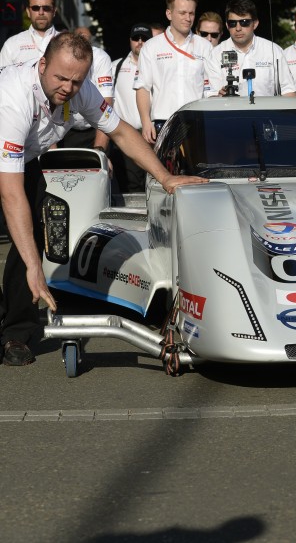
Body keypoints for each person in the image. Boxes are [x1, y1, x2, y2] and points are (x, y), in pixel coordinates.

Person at [0, 32, 206, 365]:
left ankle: (16, 333)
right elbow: (10, 193)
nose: (68, 87)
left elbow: (122, 132)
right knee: (28, 255)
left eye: (76, 81)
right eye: (61, 78)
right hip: (6, 156)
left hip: (24, 158)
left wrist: (165, 177)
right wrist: (35, 267)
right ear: (41, 65)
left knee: (35, 235)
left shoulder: (80, 91)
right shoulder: (13, 96)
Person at [135, 0, 213, 144]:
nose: (188, 18)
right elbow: (143, 87)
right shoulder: (151, 46)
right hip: (163, 122)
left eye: (191, 13)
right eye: (182, 13)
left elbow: (212, 87)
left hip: (196, 121)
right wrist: (145, 122)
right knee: (164, 169)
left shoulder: (205, 47)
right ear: (169, 14)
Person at [206, 0, 296, 97]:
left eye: (244, 22)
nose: (238, 28)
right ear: (227, 25)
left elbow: (289, 91)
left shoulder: (274, 50)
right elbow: (210, 95)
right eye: (233, 23)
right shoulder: (216, 54)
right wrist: (218, 95)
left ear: (255, 24)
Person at [110, 23, 153, 192]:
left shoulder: (156, 66)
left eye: (145, 38)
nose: (140, 42)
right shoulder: (115, 67)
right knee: (131, 187)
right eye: (136, 38)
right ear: (130, 40)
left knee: (154, 184)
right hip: (126, 137)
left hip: (153, 136)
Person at [59, 26, 113, 150]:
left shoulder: (101, 58)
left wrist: (100, 150)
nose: (82, 43)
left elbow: (107, 104)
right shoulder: (63, 56)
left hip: (94, 127)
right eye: (79, 38)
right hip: (65, 127)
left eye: (86, 39)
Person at [0, 0, 60, 66]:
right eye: (35, 8)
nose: (41, 12)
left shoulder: (68, 43)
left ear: (54, 11)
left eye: (46, 8)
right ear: (28, 12)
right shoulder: (12, 44)